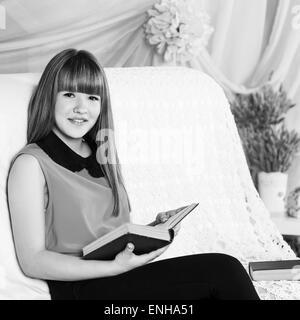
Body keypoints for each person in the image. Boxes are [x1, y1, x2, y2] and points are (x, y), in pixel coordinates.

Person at [6, 49, 260, 300]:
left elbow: (107, 237)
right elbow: (33, 260)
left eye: (93, 98)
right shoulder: (31, 163)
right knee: (223, 270)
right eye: (70, 94)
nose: (81, 108)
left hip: (119, 276)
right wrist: (114, 268)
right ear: (49, 98)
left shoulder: (101, 153)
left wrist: (153, 231)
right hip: (82, 288)